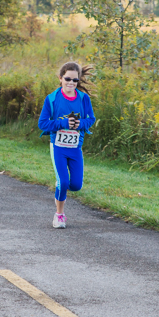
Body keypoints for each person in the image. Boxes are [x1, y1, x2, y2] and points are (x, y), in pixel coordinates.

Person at [37, 62, 96, 228]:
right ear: (60, 78)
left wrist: (80, 124)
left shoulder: (84, 99)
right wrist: (62, 123)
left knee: (75, 185)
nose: (71, 83)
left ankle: (60, 188)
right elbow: (42, 124)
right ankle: (59, 215)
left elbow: (91, 119)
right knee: (63, 182)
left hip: (75, 148)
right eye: (67, 79)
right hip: (58, 147)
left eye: (75, 80)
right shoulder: (52, 99)